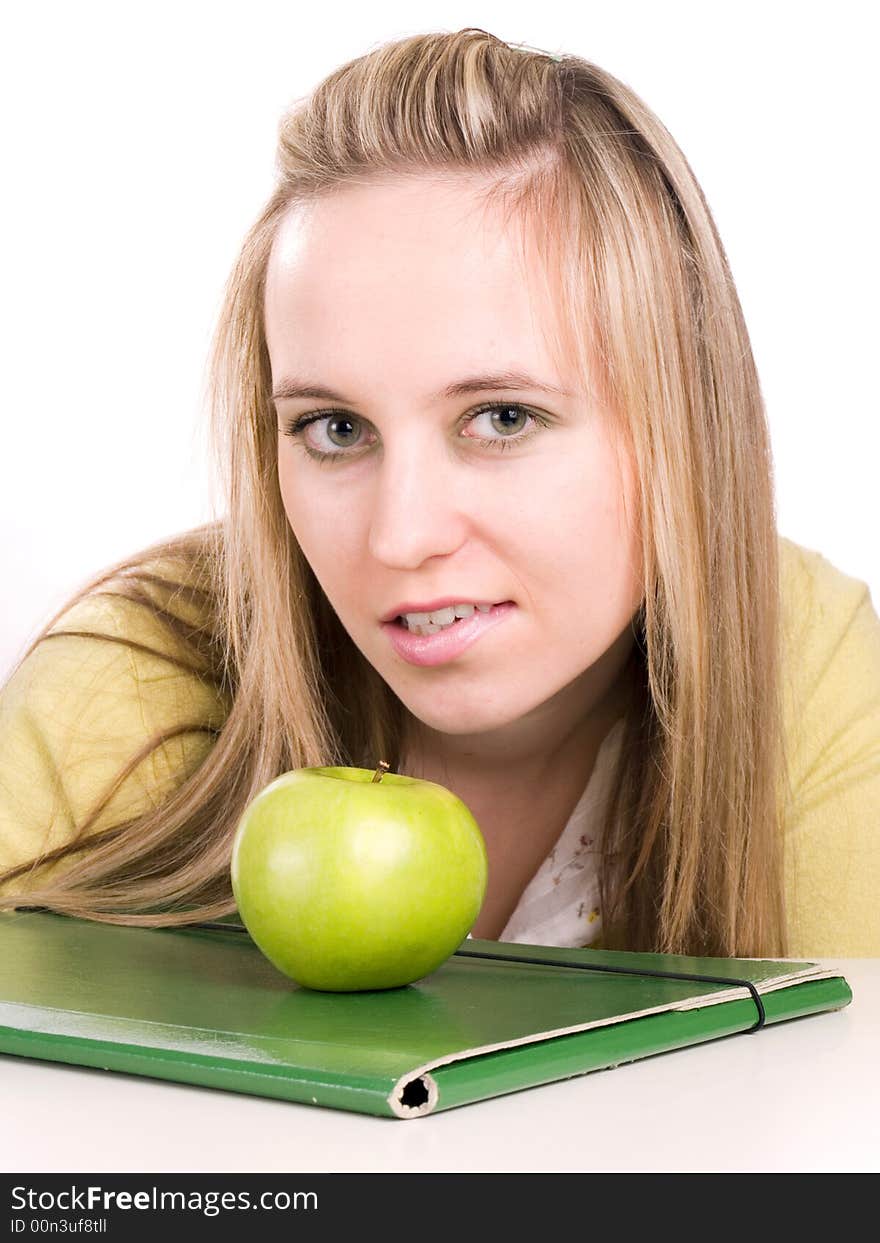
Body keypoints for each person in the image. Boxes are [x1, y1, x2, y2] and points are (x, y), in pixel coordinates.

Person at [0, 28, 878, 957]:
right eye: (335, 429)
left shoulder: (813, 675)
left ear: (686, 425)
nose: (400, 536)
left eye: (501, 418)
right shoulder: (132, 687)